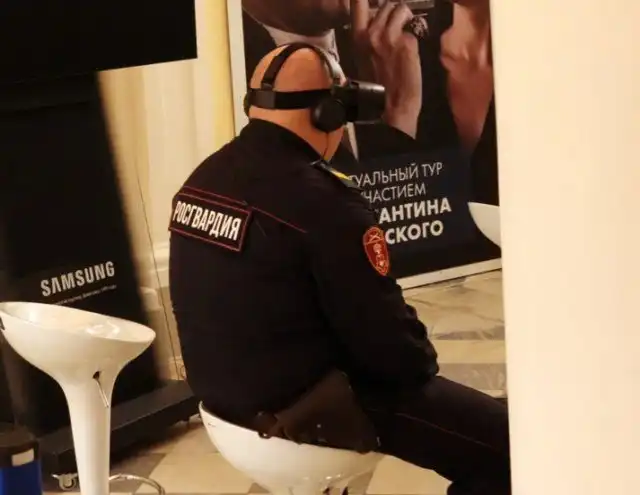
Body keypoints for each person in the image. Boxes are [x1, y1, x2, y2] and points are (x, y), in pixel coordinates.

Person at [169, 43, 510, 495]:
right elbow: (394, 353)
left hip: (223, 403)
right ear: (328, 113)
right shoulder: (325, 205)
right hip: (310, 407)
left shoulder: (203, 178)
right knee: (511, 446)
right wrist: (424, 366)